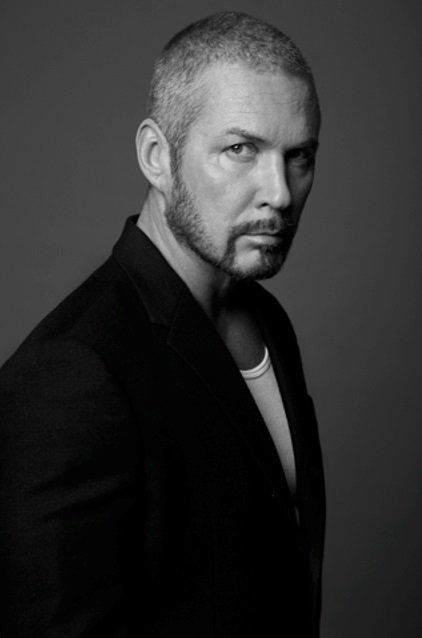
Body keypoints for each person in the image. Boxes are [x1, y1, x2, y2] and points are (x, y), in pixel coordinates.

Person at [0, 11, 325, 638]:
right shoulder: (71, 374)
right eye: (240, 149)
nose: (280, 192)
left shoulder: (268, 321)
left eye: (299, 156)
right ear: (157, 156)